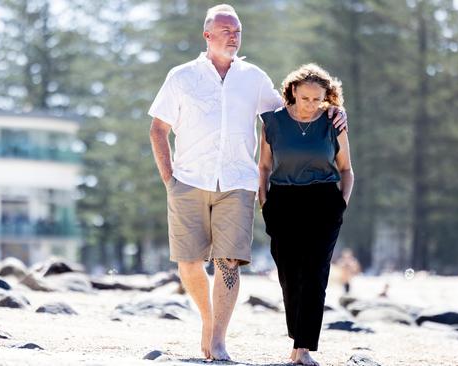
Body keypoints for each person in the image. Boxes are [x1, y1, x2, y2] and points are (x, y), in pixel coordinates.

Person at [148, 4, 347, 361]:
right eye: (226, 30)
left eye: (238, 31)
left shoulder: (253, 78)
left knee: (228, 261)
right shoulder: (181, 77)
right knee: (189, 263)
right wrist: (169, 179)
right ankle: (208, 322)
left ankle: (219, 339)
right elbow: (158, 129)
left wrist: (331, 108)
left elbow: (289, 112)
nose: (234, 36)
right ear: (207, 35)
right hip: (188, 180)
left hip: (238, 183)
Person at [258, 63, 354, 366]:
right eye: (305, 98)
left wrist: (340, 205)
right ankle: (295, 342)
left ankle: (304, 349)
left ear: (327, 98)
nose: (311, 105)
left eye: (318, 100)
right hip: (282, 200)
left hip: (323, 201)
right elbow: (263, 166)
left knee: (315, 274)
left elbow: (346, 169)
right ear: (292, 93)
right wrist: (264, 202)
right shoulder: (272, 123)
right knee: (289, 274)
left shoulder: (333, 123)